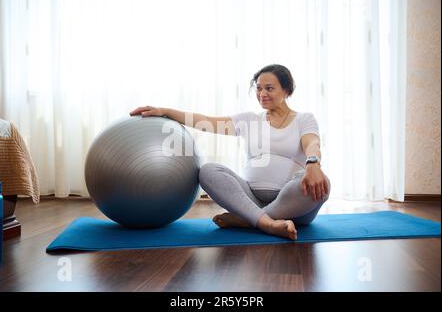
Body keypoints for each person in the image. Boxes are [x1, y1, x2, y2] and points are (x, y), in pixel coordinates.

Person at [130, 64, 330, 240]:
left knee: (323, 184)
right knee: (208, 170)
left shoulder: (304, 119)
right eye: (259, 88)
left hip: (293, 206)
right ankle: (267, 222)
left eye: (269, 88)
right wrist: (165, 111)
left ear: (286, 90)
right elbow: (204, 122)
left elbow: (312, 144)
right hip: (251, 197)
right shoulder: (249, 119)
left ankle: (250, 219)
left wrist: (313, 163)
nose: (262, 94)